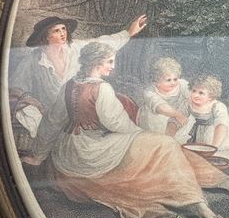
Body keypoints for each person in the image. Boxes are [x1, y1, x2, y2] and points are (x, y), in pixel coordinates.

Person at [21, 43, 229, 218]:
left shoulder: (70, 85)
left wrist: (39, 154)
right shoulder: (102, 88)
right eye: (109, 62)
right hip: (93, 152)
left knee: (167, 145)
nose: (112, 66)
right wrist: (142, 136)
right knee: (164, 146)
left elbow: (51, 121)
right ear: (96, 63)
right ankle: (201, 204)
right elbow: (117, 124)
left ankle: (224, 184)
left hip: (68, 153)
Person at [9, 14, 147, 137]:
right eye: (56, 31)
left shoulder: (74, 49)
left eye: (63, 29)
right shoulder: (33, 61)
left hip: (78, 113)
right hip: (52, 117)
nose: (62, 33)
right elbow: (15, 92)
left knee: (123, 105)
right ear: (45, 36)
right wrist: (37, 121)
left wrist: (128, 33)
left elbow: (102, 43)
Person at [168, 75, 229, 151]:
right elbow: (175, 120)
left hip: (218, 131)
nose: (196, 95)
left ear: (211, 96)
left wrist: (214, 147)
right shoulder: (188, 103)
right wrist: (169, 138)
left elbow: (221, 127)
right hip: (197, 129)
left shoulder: (217, 106)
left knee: (217, 149)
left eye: (201, 93)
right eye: (194, 91)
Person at [136, 57, 190, 134]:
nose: (173, 83)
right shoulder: (150, 92)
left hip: (176, 119)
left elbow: (193, 96)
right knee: (161, 119)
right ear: (157, 81)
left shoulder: (182, 84)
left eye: (175, 79)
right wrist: (178, 115)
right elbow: (161, 107)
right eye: (168, 80)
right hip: (155, 119)